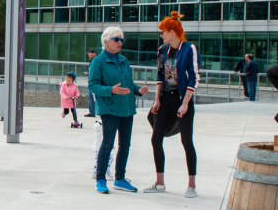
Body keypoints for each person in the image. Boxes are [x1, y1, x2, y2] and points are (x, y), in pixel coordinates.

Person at [89, 28, 149, 194]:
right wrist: (111, 90)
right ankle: (101, 180)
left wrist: (138, 90)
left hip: (127, 108)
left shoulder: (123, 60)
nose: (120, 43)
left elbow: (128, 84)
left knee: (125, 145)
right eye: (116, 39)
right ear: (106, 41)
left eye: (122, 40)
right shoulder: (98, 61)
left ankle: (120, 179)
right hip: (109, 109)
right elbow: (93, 85)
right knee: (107, 144)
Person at [146, 11, 199, 198]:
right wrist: (157, 99)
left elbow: (194, 77)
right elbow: (160, 75)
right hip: (166, 99)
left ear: (172, 31)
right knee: (155, 138)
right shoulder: (162, 50)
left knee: (186, 141)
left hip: (182, 99)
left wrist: (185, 103)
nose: (161, 35)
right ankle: (160, 182)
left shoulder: (189, 48)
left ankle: (191, 185)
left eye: (163, 32)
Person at [85, 48, 98, 118]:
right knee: (91, 96)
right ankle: (92, 111)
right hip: (92, 81)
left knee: (92, 96)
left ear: (93, 53)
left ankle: (93, 112)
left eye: (89, 53)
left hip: (94, 82)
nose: (88, 55)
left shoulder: (95, 60)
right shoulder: (92, 60)